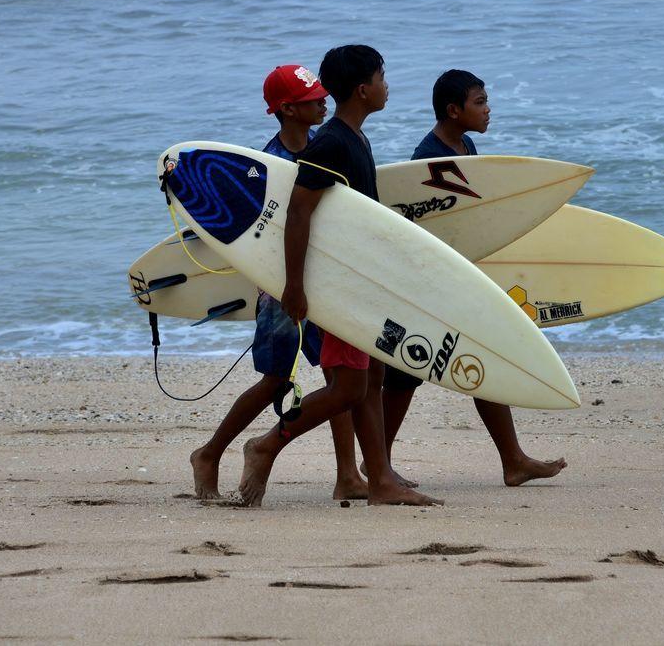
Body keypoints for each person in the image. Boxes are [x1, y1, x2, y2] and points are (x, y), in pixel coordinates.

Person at [237, 46, 441, 507]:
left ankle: (380, 479)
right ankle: (267, 446)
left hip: (359, 280)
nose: (388, 85)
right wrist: (294, 287)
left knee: (370, 381)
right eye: (383, 77)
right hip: (337, 284)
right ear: (364, 89)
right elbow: (297, 213)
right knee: (349, 387)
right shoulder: (331, 142)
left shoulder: (354, 138)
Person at [379, 69, 567, 487]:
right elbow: (419, 230)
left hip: (459, 277)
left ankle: (512, 460)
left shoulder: (465, 147)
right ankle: (378, 465)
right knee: (402, 377)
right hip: (431, 283)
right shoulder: (426, 162)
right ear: (453, 110)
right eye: (480, 102)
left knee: (480, 355)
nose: (488, 109)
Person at [189, 64, 367, 501]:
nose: (323, 100)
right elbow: (255, 235)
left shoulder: (323, 148)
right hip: (283, 287)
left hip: (321, 283)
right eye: (312, 97)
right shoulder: (266, 167)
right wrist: (290, 287)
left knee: (336, 378)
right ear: (287, 109)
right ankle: (209, 454)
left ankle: (347, 475)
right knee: (275, 380)